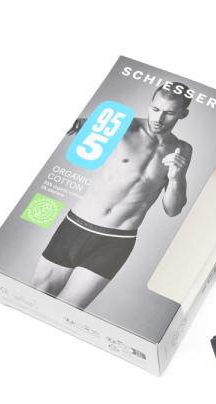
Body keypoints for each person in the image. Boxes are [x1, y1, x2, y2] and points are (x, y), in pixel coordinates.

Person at [32, 83, 193, 309]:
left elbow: (173, 210)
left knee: (68, 310)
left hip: (117, 242)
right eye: (155, 109)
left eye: (169, 113)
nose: (158, 118)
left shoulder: (182, 150)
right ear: (150, 104)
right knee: (36, 299)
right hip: (77, 228)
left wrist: (176, 177)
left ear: (182, 114)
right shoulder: (121, 126)